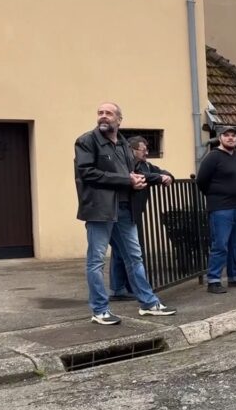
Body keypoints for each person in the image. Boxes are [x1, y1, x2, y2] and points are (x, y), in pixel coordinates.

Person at [74, 102, 176, 325]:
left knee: (134, 257)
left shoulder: (122, 145)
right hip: (100, 211)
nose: (103, 117)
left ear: (119, 120)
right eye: (100, 113)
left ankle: (148, 304)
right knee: (96, 261)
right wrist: (126, 180)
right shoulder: (86, 141)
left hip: (124, 209)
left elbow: (133, 173)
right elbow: (87, 173)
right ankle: (100, 310)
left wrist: (149, 179)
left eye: (108, 113)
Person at [108, 135, 174, 301]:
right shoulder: (126, 162)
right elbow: (139, 175)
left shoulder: (145, 164)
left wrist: (167, 176)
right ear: (132, 150)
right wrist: (159, 178)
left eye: (147, 150)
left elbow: (159, 171)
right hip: (120, 211)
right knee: (128, 253)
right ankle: (127, 290)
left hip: (132, 212)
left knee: (122, 252)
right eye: (143, 150)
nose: (146, 153)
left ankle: (121, 289)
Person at [196, 126, 236, 294]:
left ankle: (235, 276)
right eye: (227, 135)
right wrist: (216, 195)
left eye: (234, 135)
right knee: (220, 244)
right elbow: (201, 181)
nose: (231, 138)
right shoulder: (213, 157)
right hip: (222, 208)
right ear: (220, 138)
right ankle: (214, 280)